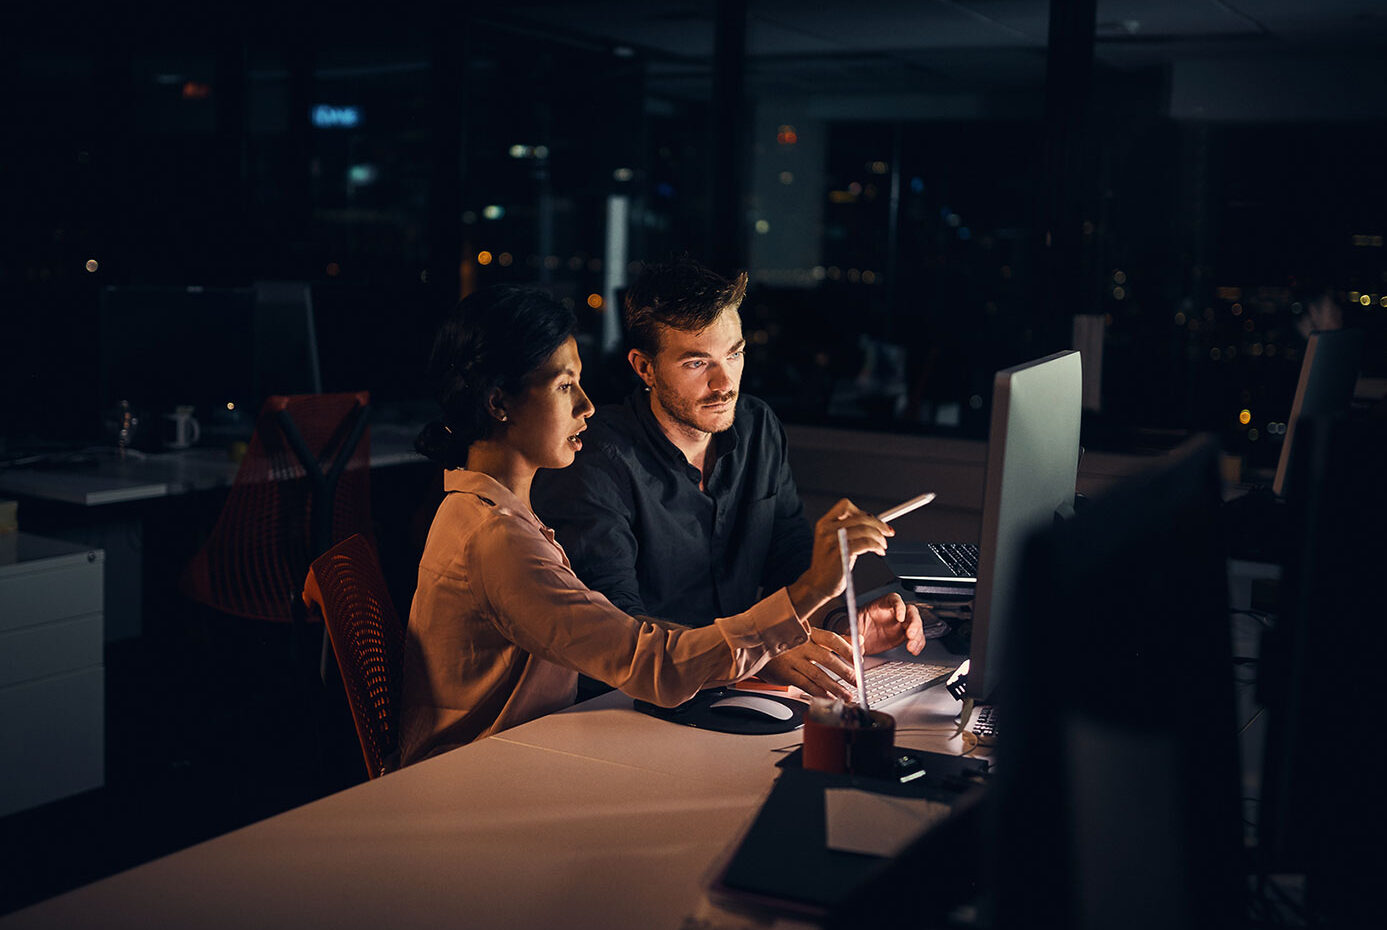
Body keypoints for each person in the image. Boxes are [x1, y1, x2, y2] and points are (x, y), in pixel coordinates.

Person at [399, 285, 913, 765]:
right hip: (478, 779)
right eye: (564, 386)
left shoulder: (501, 513)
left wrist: (833, 625)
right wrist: (808, 594)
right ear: (498, 404)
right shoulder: (498, 537)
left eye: (735, 354)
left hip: (538, 754)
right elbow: (651, 663)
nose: (586, 405)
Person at [533, 254, 930, 698]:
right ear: (645, 368)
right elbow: (619, 630)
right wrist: (758, 651)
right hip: (627, 705)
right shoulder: (594, 460)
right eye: (697, 363)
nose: (725, 384)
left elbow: (790, 559)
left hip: (741, 690)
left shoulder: (757, 427)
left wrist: (840, 623)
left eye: (735, 354)